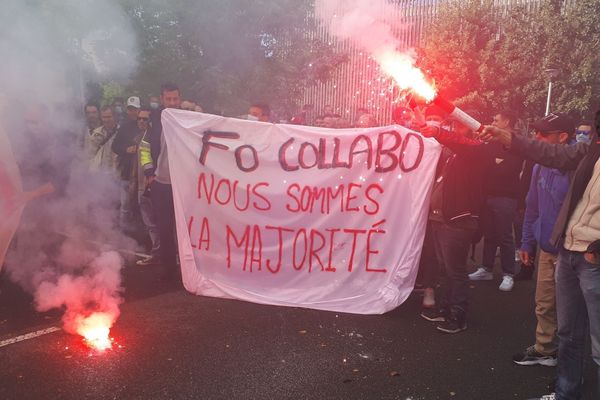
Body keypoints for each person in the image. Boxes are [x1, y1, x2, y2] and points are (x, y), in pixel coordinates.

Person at [480, 111, 600, 400]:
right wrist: (507, 137)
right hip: (567, 249)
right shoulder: (590, 151)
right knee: (569, 335)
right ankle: (565, 394)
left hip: (592, 259)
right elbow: (548, 154)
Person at [419, 114, 497, 333]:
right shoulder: (454, 154)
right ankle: (447, 308)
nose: (454, 130)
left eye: (460, 127)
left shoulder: (479, 151)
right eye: (452, 125)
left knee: (456, 271)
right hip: (440, 219)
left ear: (473, 130)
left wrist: (439, 133)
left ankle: (458, 315)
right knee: (447, 269)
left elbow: (462, 144)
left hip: (457, 221)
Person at [512, 114, 573, 369]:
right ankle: (545, 348)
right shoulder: (539, 166)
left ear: (563, 138)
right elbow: (532, 208)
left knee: (571, 313)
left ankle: (571, 365)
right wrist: (526, 243)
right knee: (544, 302)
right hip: (547, 250)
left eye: (544, 134)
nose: (537, 138)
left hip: (572, 253)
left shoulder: (578, 169)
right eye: (536, 132)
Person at [469, 111, 524, 291]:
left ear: (507, 121)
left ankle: (508, 273)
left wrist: (493, 164)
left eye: (496, 119)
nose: (492, 122)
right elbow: (486, 165)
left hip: (506, 197)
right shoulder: (492, 143)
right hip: (489, 195)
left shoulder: (515, 143)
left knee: (505, 236)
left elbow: (508, 169)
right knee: (489, 234)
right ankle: (487, 268)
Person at [144, 82, 182, 280]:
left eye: (175, 98)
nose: (173, 102)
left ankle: (189, 268)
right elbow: (144, 148)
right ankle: (169, 271)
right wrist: (149, 173)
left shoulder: (189, 119)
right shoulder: (155, 122)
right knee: (165, 228)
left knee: (185, 228)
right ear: (162, 100)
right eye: (169, 99)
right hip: (161, 184)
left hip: (183, 184)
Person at [111, 96, 141, 231]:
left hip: (142, 173)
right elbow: (115, 146)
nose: (132, 112)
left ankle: (140, 233)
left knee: (141, 205)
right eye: (130, 109)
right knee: (125, 205)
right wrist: (126, 150)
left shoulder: (147, 125)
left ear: (139, 110)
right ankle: (124, 231)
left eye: (135, 109)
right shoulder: (123, 127)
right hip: (127, 172)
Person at [135, 108, 160, 266]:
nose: (142, 121)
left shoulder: (155, 136)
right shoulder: (139, 138)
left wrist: (151, 177)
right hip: (141, 185)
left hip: (153, 185)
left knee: (157, 222)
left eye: (146, 119)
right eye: (140, 119)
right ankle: (157, 251)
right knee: (150, 222)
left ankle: (161, 253)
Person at [88, 106, 118, 173]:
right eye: (104, 117)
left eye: (109, 117)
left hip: (116, 172)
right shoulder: (96, 133)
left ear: (114, 117)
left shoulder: (121, 132)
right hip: (100, 173)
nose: (106, 120)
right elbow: (90, 155)